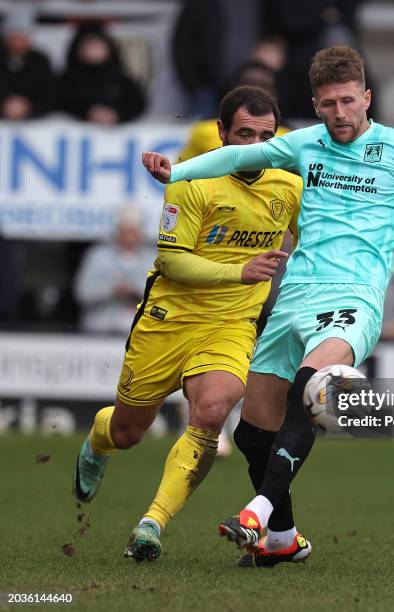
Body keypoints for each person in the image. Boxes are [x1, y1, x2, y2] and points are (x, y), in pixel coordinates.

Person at [142, 45, 394, 565]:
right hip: (294, 296)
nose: (339, 114)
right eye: (327, 104)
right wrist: (176, 173)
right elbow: (234, 156)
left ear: (367, 97)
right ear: (315, 105)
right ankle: (282, 540)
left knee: (312, 387)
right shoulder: (306, 144)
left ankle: (256, 512)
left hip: (354, 298)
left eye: (347, 101)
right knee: (253, 431)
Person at [72, 86, 303, 563]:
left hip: (232, 323)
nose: (254, 146)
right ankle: (98, 443)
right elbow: (172, 262)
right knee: (127, 432)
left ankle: (151, 524)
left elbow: (321, 237)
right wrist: (240, 270)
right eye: (243, 134)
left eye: (265, 136)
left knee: (214, 411)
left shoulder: (289, 186)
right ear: (220, 133)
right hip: (168, 320)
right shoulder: (193, 181)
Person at [74, 207, 156, 334]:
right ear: (117, 231)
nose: (128, 236)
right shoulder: (98, 256)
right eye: (124, 231)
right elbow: (82, 293)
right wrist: (112, 289)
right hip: (100, 329)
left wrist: (136, 292)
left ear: (141, 232)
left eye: (132, 231)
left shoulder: (152, 259)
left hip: (140, 333)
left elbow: (162, 297)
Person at [58, 22, 145, 124]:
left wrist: (117, 114)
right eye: (86, 45)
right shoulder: (65, 81)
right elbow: (60, 103)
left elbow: (138, 103)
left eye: (96, 44)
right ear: (76, 49)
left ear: (108, 48)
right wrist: (88, 112)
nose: (91, 49)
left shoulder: (121, 80)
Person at [0, 3, 54, 120]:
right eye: (15, 35)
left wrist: (28, 106)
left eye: (24, 35)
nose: (20, 40)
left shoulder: (40, 60)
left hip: (33, 123)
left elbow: (49, 94)